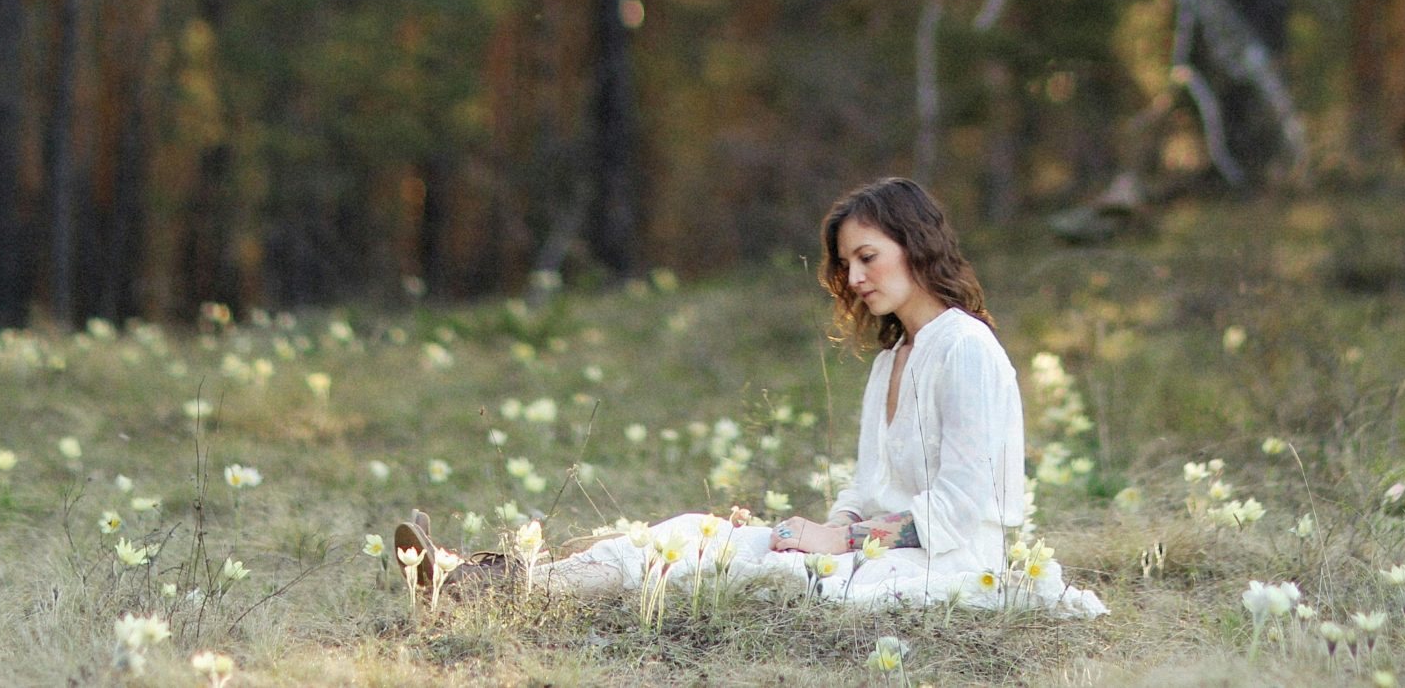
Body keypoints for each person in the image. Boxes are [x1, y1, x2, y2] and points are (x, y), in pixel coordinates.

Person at [391, 177, 1107, 617]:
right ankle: (481, 578)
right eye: (845, 263)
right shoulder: (894, 359)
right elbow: (863, 489)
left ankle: (479, 585)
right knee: (691, 529)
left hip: (940, 569)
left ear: (916, 243)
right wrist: (818, 529)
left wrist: (839, 542)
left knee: (727, 560)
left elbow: (959, 511)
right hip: (874, 554)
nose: (854, 278)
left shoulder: (968, 347)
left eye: (868, 256)